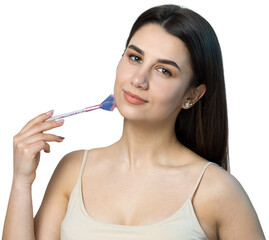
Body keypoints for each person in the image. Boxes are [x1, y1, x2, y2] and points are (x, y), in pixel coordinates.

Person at [2, 4, 265, 240]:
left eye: (164, 70)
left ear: (192, 95)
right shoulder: (72, 171)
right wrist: (21, 182)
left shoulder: (217, 190)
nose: (139, 79)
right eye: (135, 57)